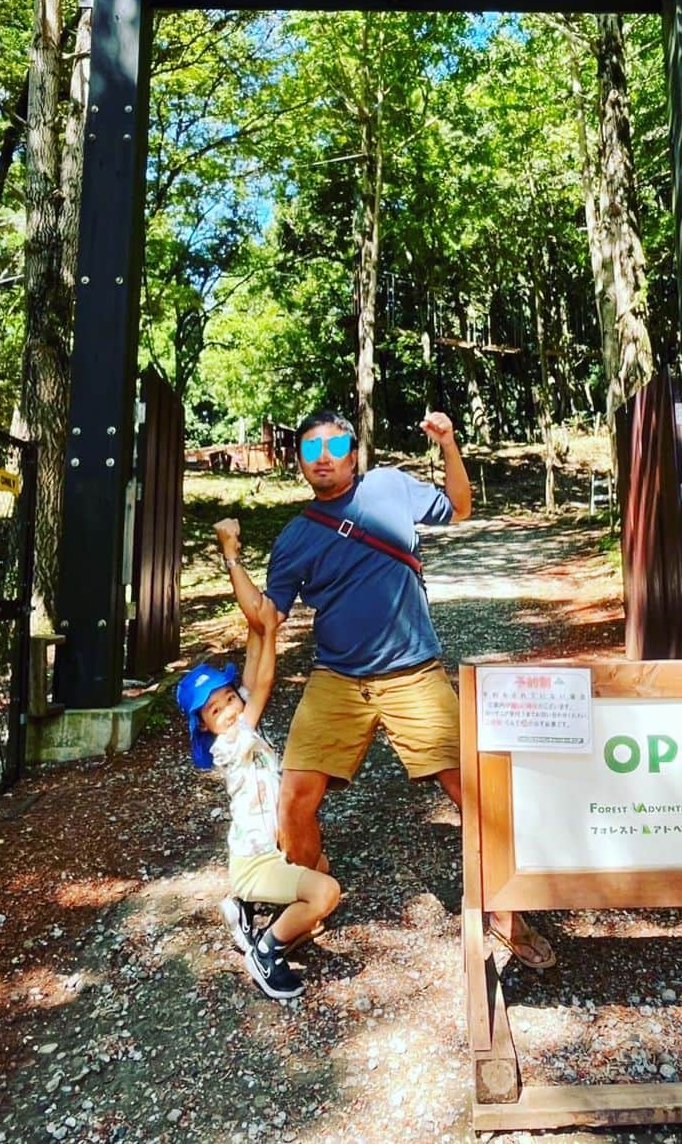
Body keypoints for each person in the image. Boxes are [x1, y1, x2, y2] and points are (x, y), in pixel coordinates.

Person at [217, 408, 554, 970]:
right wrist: (231, 554)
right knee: (294, 800)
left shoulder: (391, 488)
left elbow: (461, 507)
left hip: (413, 672)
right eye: (310, 449)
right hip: (337, 679)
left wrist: (448, 444)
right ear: (298, 461)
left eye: (335, 445)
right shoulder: (296, 537)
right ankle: (309, 895)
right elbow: (265, 619)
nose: (323, 456)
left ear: (354, 451)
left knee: (471, 792)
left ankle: (507, 914)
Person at [176, 534, 340, 1002]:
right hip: (258, 859)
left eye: (228, 698)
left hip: (274, 848)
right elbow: (263, 680)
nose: (228, 709)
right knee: (325, 893)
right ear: (204, 728)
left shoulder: (236, 724)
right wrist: (272, 630)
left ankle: (244, 908)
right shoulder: (230, 744)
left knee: (319, 868)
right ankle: (265, 952)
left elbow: (252, 653)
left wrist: (237, 565)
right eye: (214, 710)